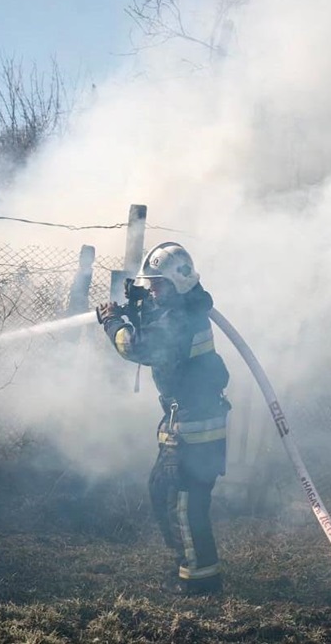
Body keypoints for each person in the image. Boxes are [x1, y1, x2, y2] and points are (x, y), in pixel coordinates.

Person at [97, 242, 232, 595]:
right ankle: (187, 562)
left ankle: (200, 581)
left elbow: (139, 347)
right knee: (163, 491)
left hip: (194, 429)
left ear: (177, 283)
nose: (153, 290)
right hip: (186, 423)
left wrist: (113, 323)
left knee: (184, 504)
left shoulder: (180, 318)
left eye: (158, 284)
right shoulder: (185, 307)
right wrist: (139, 308)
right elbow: (162, 326)